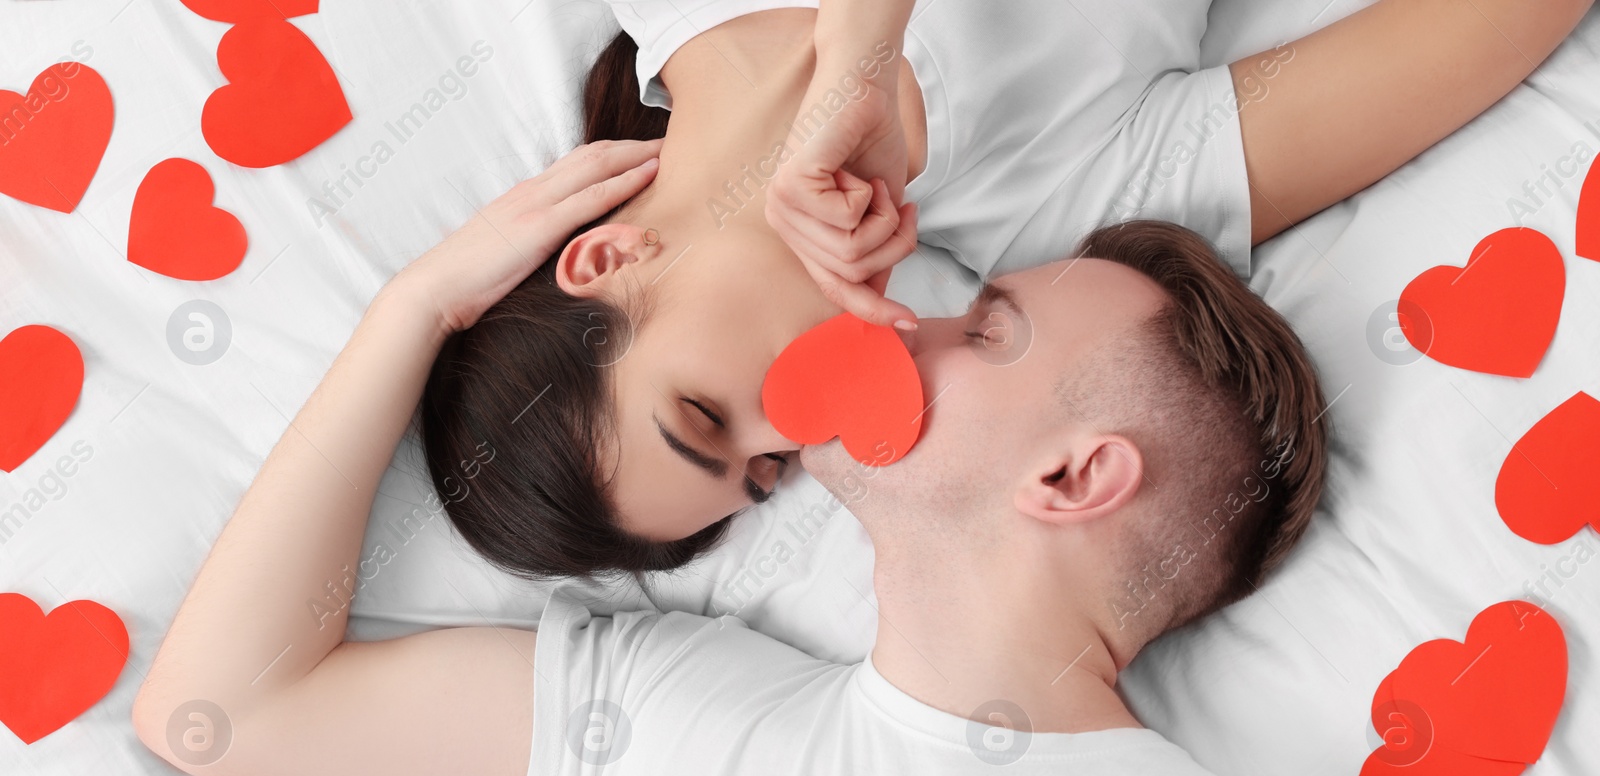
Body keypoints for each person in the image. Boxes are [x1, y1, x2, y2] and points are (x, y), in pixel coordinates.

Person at [133, 164, 1368, 776]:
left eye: (983, 329)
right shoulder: (659, 706)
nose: (896, 316)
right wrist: (416, 310)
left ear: (1069, 477)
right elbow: (219, 709)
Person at [418, 0, 1594, 578]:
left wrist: (861, 56)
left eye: (704, 417)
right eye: (765, 474)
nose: (808, 436)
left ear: (606, 259)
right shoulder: (1061, 221)